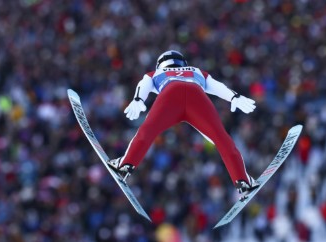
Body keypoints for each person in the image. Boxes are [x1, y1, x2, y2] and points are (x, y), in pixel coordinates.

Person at [107, 50, 260, 194]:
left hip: (170, 94)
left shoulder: (157, 72)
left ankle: (125, 165)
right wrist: (234, 97)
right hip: (196, 95)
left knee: (147, 132)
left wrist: (138, 99)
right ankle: (242, 181)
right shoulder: (196, 71)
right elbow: (217, 86)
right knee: (221, 138)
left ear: (160, 64)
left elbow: (144, 83)